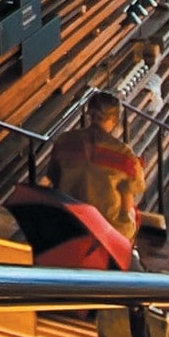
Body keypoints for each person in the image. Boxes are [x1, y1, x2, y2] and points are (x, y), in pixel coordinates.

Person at [49, 91, 146, 241]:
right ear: (114, 120)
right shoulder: (124, 154)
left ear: (89, 114)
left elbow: (54, 178)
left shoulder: (64, 141)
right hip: (108, 230)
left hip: (69, 223)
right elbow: (127, 203)